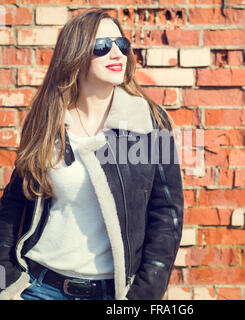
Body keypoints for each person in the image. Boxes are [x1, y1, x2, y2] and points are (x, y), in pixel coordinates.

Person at [0, 8, 184, 300]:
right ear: (76, 55)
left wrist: (142, 298)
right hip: (40, 288)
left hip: (113, 294)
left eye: (121, 45)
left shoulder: (145, 122)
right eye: (102, 46)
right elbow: (12, 206)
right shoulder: (49, 121)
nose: (116, 54)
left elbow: (167, 217)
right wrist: (5, 282)